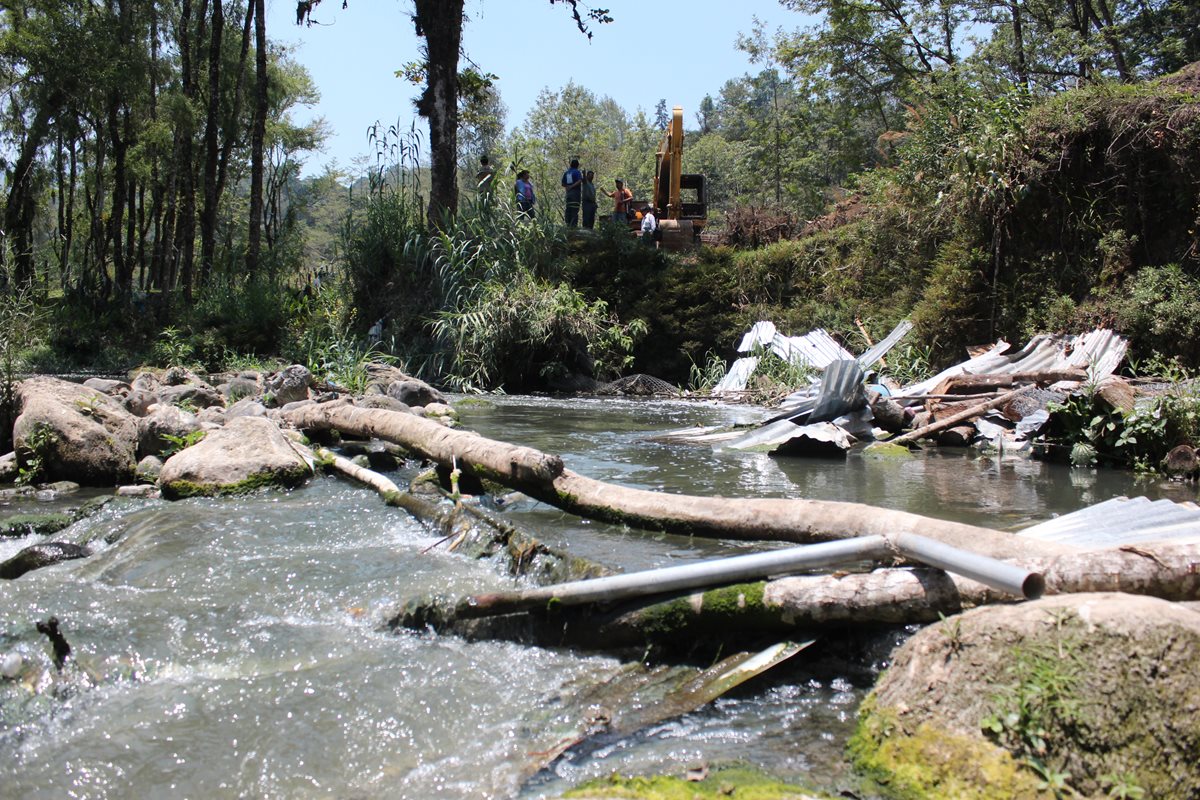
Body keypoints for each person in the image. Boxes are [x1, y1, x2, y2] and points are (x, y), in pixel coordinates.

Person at [561, 158, 583, 226]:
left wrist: (568, 187)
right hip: (575, 194)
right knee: (574, 209)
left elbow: (563, 183)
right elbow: (580, 181)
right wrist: (572, 186)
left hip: (568, 194)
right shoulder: (577, 172)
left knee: (569, 208)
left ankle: (568, 224)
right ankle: (573, 226)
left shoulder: (566, 172)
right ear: (577, 165)